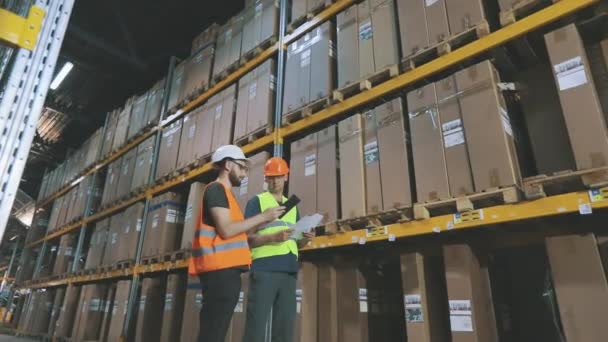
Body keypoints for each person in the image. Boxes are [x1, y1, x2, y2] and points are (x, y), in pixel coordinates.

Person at [188, 145, 285, 342]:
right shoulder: (216, 189)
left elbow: (236, 235)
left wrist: (267, 229)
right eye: (242, 167)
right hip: (219, 273)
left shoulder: (227, 195)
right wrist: (262, 217)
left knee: (214, 332)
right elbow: (227, 230)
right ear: (228, 165)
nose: (244, 173)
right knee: (212, 334)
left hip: (225, 272)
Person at [242, 157, 315, 342]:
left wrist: (305, 240)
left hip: (289, 271)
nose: (275, 181)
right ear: (266, 179)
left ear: (286, 177)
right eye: (271, 177)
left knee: (285, 331)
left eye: (279, 176)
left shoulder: (292, 206)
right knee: (256, 329)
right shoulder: (256, 202)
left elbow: (295, 243)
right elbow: (246, 239)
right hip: (265, 270)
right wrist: (272, 238)